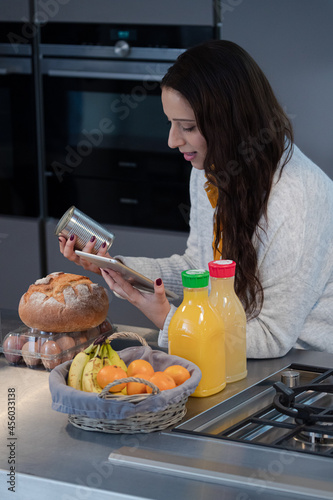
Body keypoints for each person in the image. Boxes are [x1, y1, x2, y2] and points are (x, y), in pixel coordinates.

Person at [59, 40, 333, 358]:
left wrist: (167, 319)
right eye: (170, 123)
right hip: (236, 352)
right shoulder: (212, 166)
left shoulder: (294, 200)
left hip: (308, 370)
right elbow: (198, 266)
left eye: (187, 127)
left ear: (231, 124)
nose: (173, 141)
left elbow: (271, 338)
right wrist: (120, 268)